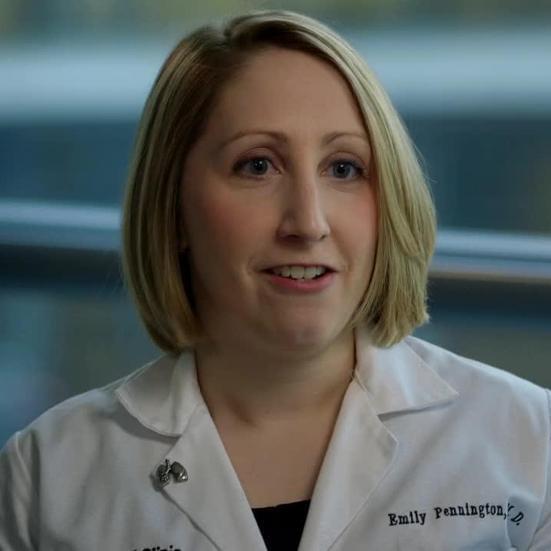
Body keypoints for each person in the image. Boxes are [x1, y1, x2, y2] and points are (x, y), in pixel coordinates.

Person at [0, 9, 549, 551]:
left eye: (344, 168)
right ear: (174, 206)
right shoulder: (44, 479)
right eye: (257, 165)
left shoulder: (533, 443)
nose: (308, 222)